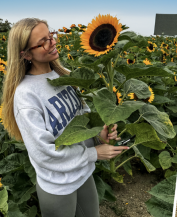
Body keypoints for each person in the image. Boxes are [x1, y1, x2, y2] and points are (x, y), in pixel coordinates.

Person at [1, 18, 129, 217]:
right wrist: (94, 153)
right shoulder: (26, 95)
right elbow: (43, 153)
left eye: (51, 35)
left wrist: (99, 135)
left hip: (83, 173)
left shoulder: (66, 75)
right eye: (43, 42)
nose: (52, 42)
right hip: (58, 186)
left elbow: (83, 118)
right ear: (26, 54)